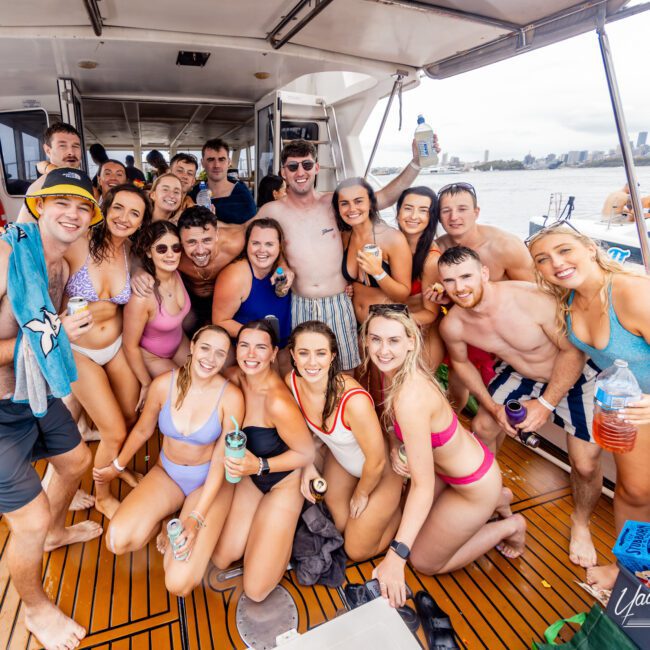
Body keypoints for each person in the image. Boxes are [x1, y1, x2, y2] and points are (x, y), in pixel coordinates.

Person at [438, 246, 603, 568]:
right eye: (450, 281)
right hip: (522, 374)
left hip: (578, 374)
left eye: (466, 276)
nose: (460, 287)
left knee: (584, 465)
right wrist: (492, 407)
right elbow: (462, 365)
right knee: (484, 426)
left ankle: (581, 523)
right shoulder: (454, 325)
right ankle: (486, 499)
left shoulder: (529, 298)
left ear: (484, 273)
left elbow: (573, 353)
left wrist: (544, 404)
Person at [0, 168, 103, 649]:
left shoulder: (60, 266)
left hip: (32, 395)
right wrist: (55, 331)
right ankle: (37, 609)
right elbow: (41, 334)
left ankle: (57, 532)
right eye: (62, 202)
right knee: (29, 521)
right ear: (40, 205)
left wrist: (58, 330)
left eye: (83, 207)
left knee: (78, 461)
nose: (73, 213)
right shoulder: (6, 255)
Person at [363, 306, 524, 608]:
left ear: (411, 340)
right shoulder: (397, 371)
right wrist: (399, 447)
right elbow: (410, 433)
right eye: (376, 339)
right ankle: (500, 499)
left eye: (394, 341)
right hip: (449, 470)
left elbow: (422, 488)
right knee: (408, 519)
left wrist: (396, 557)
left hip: (473, 486)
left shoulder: (410, 395)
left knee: (422, 560)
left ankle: (510, 525)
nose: (383, 350)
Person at [527, 225, 650, 591]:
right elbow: (578, 352)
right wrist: (546, 402)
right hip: (634, 411)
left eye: (565, 250)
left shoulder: (631, 293)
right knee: (634, 493)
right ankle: (630, 571)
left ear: (590, 248)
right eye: (543, 259)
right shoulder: (569, 302)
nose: (557, 264)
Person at [257, 138, 433, 371]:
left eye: (307, 165)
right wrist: (281, 263)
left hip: (338, 302)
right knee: (304, 370)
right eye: (293, 166)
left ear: (316, 168)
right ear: (283, 172)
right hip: (299, 303)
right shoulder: (271, 211)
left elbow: (383, 197)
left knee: (346, 370)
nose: (301, 172)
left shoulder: (334, 202)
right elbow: (248, 237)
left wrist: (416, 164)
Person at [97, 325, 244, 597]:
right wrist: (117, 467)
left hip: (208, 483)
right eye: (205, 348)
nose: (211, 359)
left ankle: (177, 517)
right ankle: (167, 515)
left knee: (178, 584)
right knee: (117, 540)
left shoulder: (231, 397)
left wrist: (196, 518)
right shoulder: (164, 384)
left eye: (220, 354)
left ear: (225, 359)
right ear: (192, 346)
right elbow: (142, 430)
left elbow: (221, 461)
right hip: (168, 475)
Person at [65, 184, 152, 519]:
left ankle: (119, 466)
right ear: (105, 207)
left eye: (134, 213)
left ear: (141, 221)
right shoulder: (78, 243)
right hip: (78, 350)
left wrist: (144, 276)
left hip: (115, 347)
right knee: (114, 431)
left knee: (130, 416)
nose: (124, 218)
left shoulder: (132, 253)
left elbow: (145, 277)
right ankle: (102, 495)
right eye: (118, 208)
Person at [212, 320, 313, 602]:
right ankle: (266, 536)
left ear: (273, 353)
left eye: (260, 348)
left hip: (282, 479)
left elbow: (306, 453)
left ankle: (285, 532)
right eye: (244, 345)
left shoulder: (277, 400)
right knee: (222, 557)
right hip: (250, 477)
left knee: (256, 590)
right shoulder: (233, 377)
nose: (251, 354)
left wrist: (259, 466)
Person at [287, 320, 403, 560]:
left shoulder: (353, 401)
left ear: (332, 357)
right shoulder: (292, 383)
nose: (311, 362)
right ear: (292, 355)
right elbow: (294, 427)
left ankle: (400, 508)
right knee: (337, 526)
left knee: (356, 550)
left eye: (320, 353)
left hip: (380, 471)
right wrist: (306, 465)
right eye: (303, 353)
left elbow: (377, 460)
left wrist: (361, 494)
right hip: (342, 461)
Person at [131, 207, 245, 333]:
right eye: (191, 242)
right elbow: (142, 251)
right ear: (179, 239)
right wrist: (137, 270)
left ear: (217, 235)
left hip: (225, 300)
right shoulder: (174, 253)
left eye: (207, 240)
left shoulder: (236, 242)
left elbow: (261, 243)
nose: (200, 250)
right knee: (187, 325)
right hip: (191, 299)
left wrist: (272, 268)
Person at [123, 221, 191, 408]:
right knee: (187, 393)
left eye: (175, 247)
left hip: (179, 344)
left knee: (208, 382)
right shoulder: (142, 297)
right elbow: (129, 346)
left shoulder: (176, 273)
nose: (170, 254)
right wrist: (146, 383)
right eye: (161, 249)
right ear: (148, 252)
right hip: (152, 356)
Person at [212, 218, 292, 367]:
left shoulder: (283, 269)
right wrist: (260, 337)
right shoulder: (235, 276)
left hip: (282, 348)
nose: (262, 250)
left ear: (279, 247)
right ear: (247, 244)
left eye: (269, 244)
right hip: (250, 354)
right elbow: (220, 321)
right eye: (256, 243)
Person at [333, 177, 412, 323]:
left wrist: (378, 273)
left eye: (358, 201)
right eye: (344, 203)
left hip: (386, 326)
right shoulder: (344, 237)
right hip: (354, 324)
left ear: (370, 203)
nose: (352, 209)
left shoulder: (392, 238)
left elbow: (402, 295)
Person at [434, 182, 534, 282]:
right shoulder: (436, 250)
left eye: (462, 209)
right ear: (439, 217)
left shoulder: (506, 246)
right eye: (446, 211)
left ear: (476, 213)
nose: (454, 217)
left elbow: (536, 291)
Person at [395, 186, 444, 368]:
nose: (414, 216)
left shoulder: (431, 260)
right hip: (394, 334)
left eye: (423, 210)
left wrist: (394, 321)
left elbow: (431, 313)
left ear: (431, 217)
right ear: (398, 212)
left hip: (422, 336)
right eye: (408, 208)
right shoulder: (389, 245)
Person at [17, 123, 83, 222]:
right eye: (62, 146)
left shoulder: (82, 181)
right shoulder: (40, 187)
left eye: (75, 146)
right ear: (48, 150)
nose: (71, 152)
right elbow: (23, 232)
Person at [189, 138, 257, 224]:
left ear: (229, 162)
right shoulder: (194, 194)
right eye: (211, 160)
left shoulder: (242, 195)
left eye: (221, 159)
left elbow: (250, 229)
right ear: (202, 163)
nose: (216, 165)